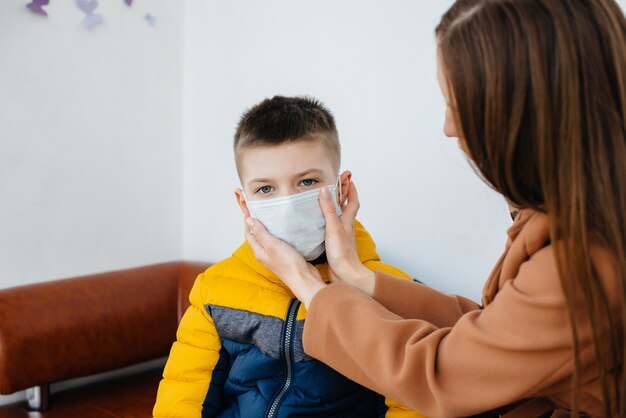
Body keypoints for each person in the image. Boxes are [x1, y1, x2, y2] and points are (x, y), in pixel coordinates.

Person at [243, 0, 626, 416]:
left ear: (525, 110)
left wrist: (310, 288)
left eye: (457, 105)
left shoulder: (582, 259)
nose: (448, 127)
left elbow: (443, 374)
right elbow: (493, 332)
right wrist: (355, 275)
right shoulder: (568, 213)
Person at [153, 96, 425, 417]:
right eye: (266, 189)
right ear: (244, 203)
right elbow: (182, 395)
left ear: (342, 188)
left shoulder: (391, 289)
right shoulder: (214, 289)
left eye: (307, 182)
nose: (288, 203)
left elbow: (413, 402)